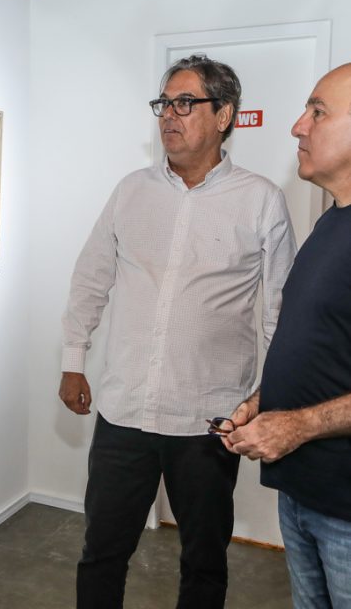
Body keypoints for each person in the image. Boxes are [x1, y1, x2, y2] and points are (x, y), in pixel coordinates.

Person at [59, 54, 296, 609]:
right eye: (164, 103)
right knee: (102, 552)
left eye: (185, 103)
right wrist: (73, 360)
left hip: (208, 419)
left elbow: (279, 311)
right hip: (125, 411)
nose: (169, 114)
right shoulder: (131, 191)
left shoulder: (261, 199)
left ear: (224, 115)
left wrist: (271, 396)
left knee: (204, 560)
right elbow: (91, 278)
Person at [225, 63, 351, 608]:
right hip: (303, 493)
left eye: (318, 112)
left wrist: (297, 425)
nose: (298, 126)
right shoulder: (331, 222)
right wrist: (263, 401)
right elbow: (323, 343)